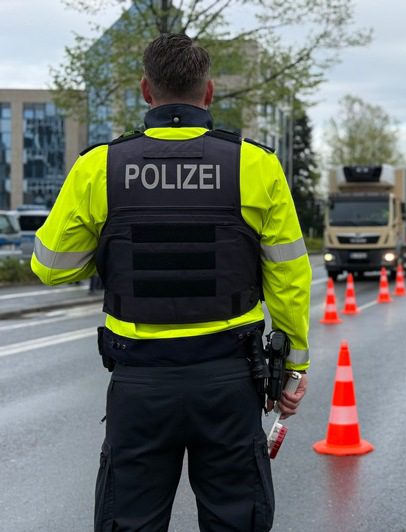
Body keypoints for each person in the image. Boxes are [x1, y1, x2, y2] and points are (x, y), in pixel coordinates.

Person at [31, 33, 311, 532]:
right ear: (209, 91)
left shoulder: (100, 166)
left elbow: (52, 267)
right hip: (230, 382)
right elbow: (288, 275)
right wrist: (294, 366)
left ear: (146, 90)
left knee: (130, 522)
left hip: (140, 384)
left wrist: (115, 241)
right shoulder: (256, 164)